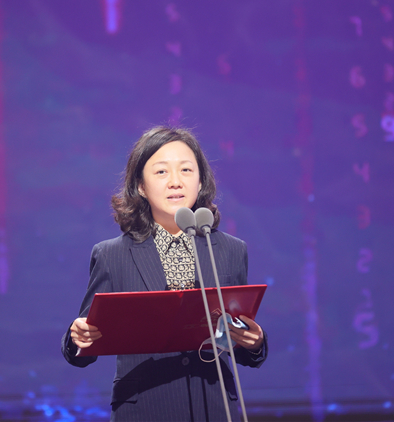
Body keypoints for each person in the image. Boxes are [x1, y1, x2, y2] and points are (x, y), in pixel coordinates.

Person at [61, 126, 268, 422]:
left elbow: (237, 342)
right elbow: (85, 348)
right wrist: (78, 337)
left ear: (200, 181)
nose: (175, 181)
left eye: (186, 170)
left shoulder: (229, 250)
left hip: (214, 407)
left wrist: (254, 341)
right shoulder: (112, 255)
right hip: (144, 409)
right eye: (161, 172)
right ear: (141, 186)